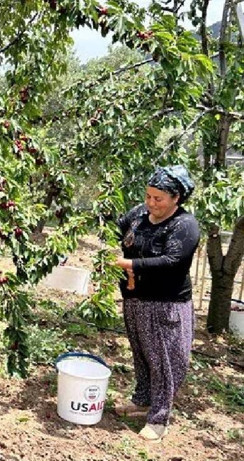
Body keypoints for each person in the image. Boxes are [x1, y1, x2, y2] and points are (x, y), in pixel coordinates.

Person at [113, 165, 199, 442]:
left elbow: (173, 262)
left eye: (158, 198)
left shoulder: (184, 225)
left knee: (163, 361)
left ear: (176, 198)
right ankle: (142, 401)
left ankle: (159, 418)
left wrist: (131, 263)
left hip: (165, 305)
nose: (151, 203)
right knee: (142, 355)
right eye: (148, 196)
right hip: (135, 299)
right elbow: (118, 227)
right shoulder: (140, 214)